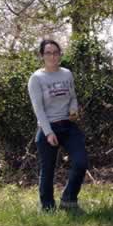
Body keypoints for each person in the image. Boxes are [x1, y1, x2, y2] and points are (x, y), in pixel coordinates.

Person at [28, 39, 89, 212]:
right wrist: (48, 132)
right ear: (42, 56)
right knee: (47, 170)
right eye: (48, 53)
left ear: (60, 54)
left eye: (56, 52)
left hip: (68, 126)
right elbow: (38, 109)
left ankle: (69, 200)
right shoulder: (36, 79)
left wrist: (73, 109)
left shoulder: (66, 74)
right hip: (48, 127)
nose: (53, 56)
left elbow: (73, 97)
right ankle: (47, 208)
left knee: (81, 162)